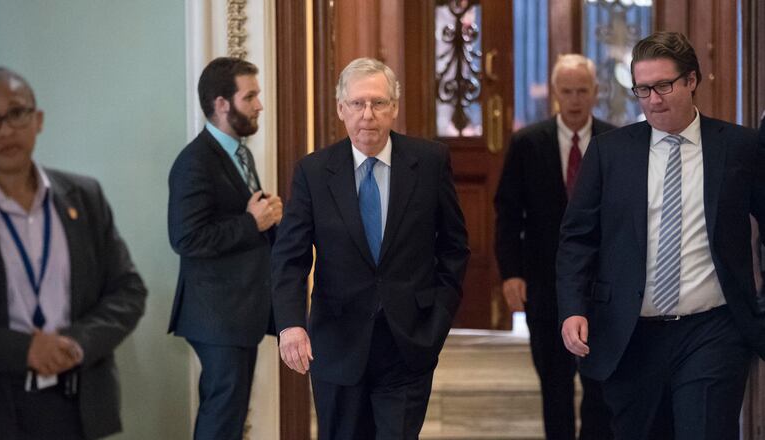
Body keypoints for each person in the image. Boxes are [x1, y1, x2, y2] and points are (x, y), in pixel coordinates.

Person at [557, 31, 765, 439]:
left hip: (713, 330)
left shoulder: (740, 148)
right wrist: (573, 308)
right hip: (631, 334)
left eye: (664, 86)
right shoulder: (609, 152)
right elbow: (578, 237)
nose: (653, 99)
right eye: (643, 89)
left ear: (691, 81)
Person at [271, 57, 470, 439]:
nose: (368, 115)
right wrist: (291, 324)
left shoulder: (429, 162)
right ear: (340, 109)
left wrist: (439, 317)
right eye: (358, 103)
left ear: (394, 108)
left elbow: (454, 246)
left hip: (409, 341)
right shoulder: (313, 172)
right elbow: (290, 257)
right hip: (337, 344)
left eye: (378, 103)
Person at [0, 67, 147, 439]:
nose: (5, 129)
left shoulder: (84, 197)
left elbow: (129, 291)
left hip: (78, 405)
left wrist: (76, 342)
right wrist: (25, 351)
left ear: (38, 120)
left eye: (17, 113)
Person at [494, 54, 614, 440]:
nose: (575, 99)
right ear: (554, 95)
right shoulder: (528, 143)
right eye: (567, 91)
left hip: (603, 287)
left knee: (600, 387)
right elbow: (509, 214)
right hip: (544, 283)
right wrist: (511, 273)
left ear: (596, 93)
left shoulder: (615, 143)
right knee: (555, 385)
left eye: (583, 91)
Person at [167, 57, 282, 440]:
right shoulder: (193, 162)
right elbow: (186, 238)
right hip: (216, 314)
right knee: (222, 415)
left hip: (239, 311)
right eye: (250, 97)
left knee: (230, 415)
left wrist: (268, 217)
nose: (259, 105)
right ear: (221, 104)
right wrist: (253, 223)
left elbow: (242, 219)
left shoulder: (241, 154)